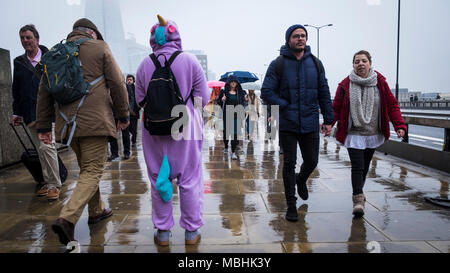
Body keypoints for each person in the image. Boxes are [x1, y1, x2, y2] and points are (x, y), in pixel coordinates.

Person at [36, 18, 130, 245]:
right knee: (92, 171)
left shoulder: (56, 53)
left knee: (88, 169)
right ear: (92, 33)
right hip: (95, 122)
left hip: (67, 125)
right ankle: (67, 219)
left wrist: (43, 125)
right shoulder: (99, 48)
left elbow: (44, 91)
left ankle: (97, 210)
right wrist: (124, 114)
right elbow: (118, 82)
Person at [135, 15, 209, 246]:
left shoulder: (144, 64)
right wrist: (190, 111)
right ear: (176, 36)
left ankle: (163, 233)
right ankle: (191, 232)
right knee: (189, 180)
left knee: (159, 178)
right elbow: (203, 97)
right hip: (185, 126)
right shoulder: (189, 60)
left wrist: (158, 110)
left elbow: (139, 100)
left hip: (153, 130)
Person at [261, 24, 334, 222]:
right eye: (296, 36)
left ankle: (301, 179)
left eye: (303, 36)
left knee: (312, 161)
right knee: (288, 164)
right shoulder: (278, 64)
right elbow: (266, 91)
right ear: (288, 40)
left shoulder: (316, 64)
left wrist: (329, 119)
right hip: (288, 123)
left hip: (310, 122)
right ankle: (291, 205)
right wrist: (285, 105)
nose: (300, 39)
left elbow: (324, 92)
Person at [332, 50, 406, 217]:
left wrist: (399, 125)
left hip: (372, 132)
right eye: (357, 61)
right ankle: (358, 200)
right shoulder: (345, 84)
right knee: (357, 166)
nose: (360, 64)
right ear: (353, 65)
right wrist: (329, 123)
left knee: (365, 166)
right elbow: (336, 108)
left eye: (364, 61)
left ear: (370, 63)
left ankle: (360, 191)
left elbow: (392, 105)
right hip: (353, 133)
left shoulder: (380, 83)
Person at [11, 24, 62, 201]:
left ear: (37, 39)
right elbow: (16, 89)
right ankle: (47, 183)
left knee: (47, 147)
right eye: (22, 38)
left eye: (28, 37)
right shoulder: (18, 61)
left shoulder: (49, 58)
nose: (25, 41)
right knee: (40, 150)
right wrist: (16, 112)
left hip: (48, 112)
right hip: (29, 113)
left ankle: (55, 185)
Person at [217, 75, 248, 160]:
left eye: (235, 81)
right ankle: (226, 146)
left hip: (237, 116)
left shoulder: (241, 93)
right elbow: (218, 102)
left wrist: (245, 103)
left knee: (235, 134)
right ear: (229, 83)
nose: (233, 83)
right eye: (231, 81)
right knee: (226, 133)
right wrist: (222, 100)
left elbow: (244, 104)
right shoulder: (223, 92)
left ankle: (233, 152)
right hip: (227, 115)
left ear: (237, 83)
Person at [126, 74, 141, 147]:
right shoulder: (125, 89)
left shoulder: (136, 89)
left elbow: (139, 100)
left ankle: (134, 141)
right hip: (127, 112)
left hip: (135, 112)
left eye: (130, 79)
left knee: (134, 129)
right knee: (128, 128)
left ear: (133, 80)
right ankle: (133, 138)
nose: (129, 81)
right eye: (128, 79)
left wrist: (137, 109)